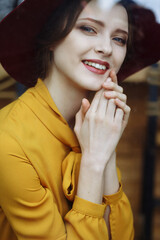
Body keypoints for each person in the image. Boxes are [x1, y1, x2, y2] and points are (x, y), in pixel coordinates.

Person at [0, 0, 159, 239]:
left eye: (119, 39)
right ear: (51, 36)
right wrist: (94, 162)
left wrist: (106, 150)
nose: (106, 48)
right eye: (88, 29)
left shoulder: (97, 125)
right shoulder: (8, 142)